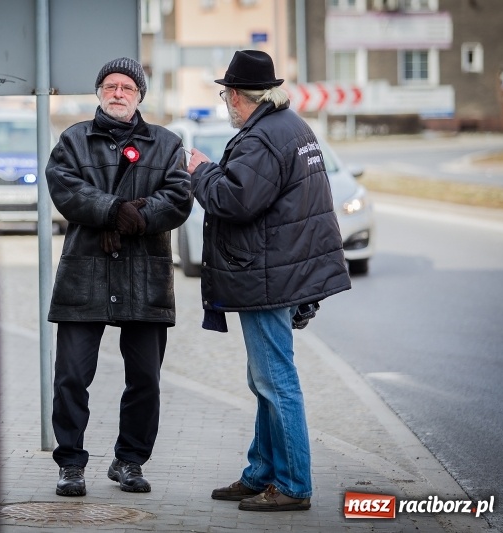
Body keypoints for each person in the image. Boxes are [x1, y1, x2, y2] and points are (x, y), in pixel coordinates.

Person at [186, 50, 351, 512]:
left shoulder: (261, 138)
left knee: (275, 379)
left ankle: (294, 484)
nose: (225, 103)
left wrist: (201, 170)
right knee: (265, 378)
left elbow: (235, 200)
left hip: (264, 275)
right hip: (282, 272)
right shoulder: (294, 127)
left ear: (237, 96)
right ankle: (261, 472)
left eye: (225, 95)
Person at [46, 57, 192, 497]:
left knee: (145, 377)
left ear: (140, 95)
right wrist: (112, 209)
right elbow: (64, 188)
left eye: (127, 87)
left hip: (144, 277)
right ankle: (70, 464)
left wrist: (135, 218)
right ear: (98, 92)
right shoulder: (72, 140)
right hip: (84, 275)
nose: (118, 93)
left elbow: (179, 197)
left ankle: (129, 460)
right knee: (71, 376)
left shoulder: (167, 143)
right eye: (110, 85)